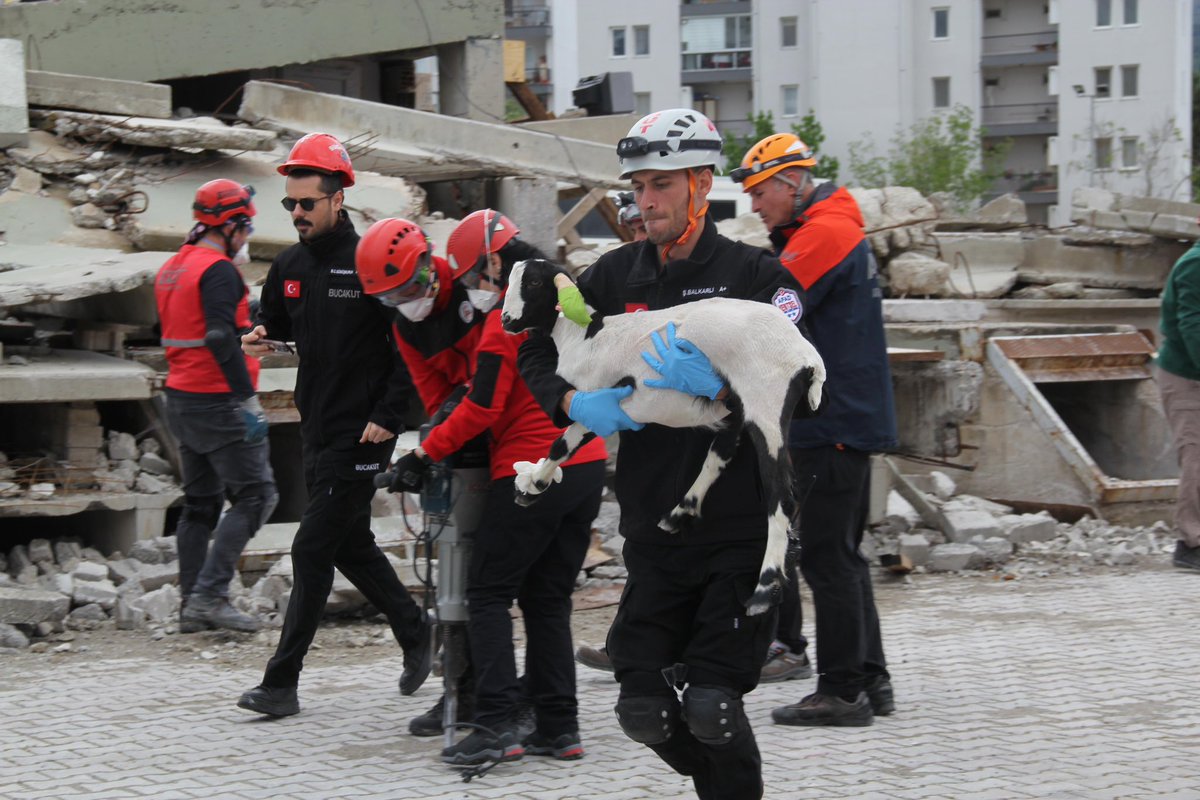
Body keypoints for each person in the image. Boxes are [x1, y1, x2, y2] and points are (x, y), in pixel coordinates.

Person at [518, 108, 809, 800]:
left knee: (711, 707)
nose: (645, 201)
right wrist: (569, 404)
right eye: (638, 186)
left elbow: (800, 375)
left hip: (740, 526)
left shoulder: (759, 277)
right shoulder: (612, 277)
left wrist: (723, 385)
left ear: (702, 184)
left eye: (662, 185)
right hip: (653, 527)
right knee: (641, 710)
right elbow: (536, 341)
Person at [358, 212, 607, 766]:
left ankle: (495, 722)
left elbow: (483, 405)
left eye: (473, 271)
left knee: (487, 594)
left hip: (530, 469)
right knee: (546, 600)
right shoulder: (567, 306)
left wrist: (424, 453)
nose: (471, 282)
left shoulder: (504, 321)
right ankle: (558, 727)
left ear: (495, 262)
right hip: (585, 463)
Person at [235, 133, 431, 718]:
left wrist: (390, 416)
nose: (296, 214)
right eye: (289, 205)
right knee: (350, 542)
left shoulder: (370, 260)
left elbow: (407, 345)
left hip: (367, 429)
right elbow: (271, 319)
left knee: (312, 546)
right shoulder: (290, 265)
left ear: (337, 199)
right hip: (314, 423)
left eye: (307, 204)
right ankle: (415, 627)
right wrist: (259, 337)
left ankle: (281, 681)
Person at [732, 132, 897, 726]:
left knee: (828, 560)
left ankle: (842, 690)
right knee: (842, 557)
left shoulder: (825, 233)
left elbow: (764, 309)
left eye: (758, 193)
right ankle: (870, 681)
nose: (754, 206)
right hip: (844, 416)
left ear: (790, 182)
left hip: (830, 421)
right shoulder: (830, 226)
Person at [155, 179, 277, 634]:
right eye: (244, 228)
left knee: (201, 504)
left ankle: (192, 603)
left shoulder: (173, 267)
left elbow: (188, 328)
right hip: (217, 400)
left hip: (180, 398)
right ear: (229, 224)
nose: (247, 238)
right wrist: (246, 399)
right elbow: (220, 336)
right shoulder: (220, 271)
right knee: (257, 495)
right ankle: (209, 597)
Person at [1155, 228, 1200, 572]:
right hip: (1187, 377)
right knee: (1197, 455)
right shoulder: (1195, 264)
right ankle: (1191, 543)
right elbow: (1193, 326)